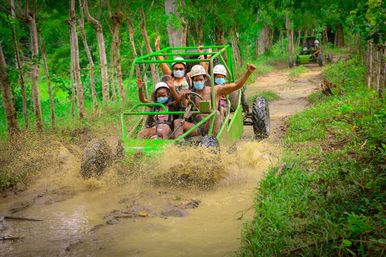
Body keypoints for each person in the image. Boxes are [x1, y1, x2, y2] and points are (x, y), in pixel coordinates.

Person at [173, 63, 256, 138]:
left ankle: (213, 142)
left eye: (200, 79)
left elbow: (236, 85)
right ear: (192, 80)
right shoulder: (190, 93)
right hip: (196, 126)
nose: (198, 82)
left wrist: (248, 72)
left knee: (215, 113)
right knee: (177, 122)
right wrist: (183, 97)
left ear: (205, 79)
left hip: (211, 124)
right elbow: (184, 107)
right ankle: (179, 144)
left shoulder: (215, 90)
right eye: (196, 80)